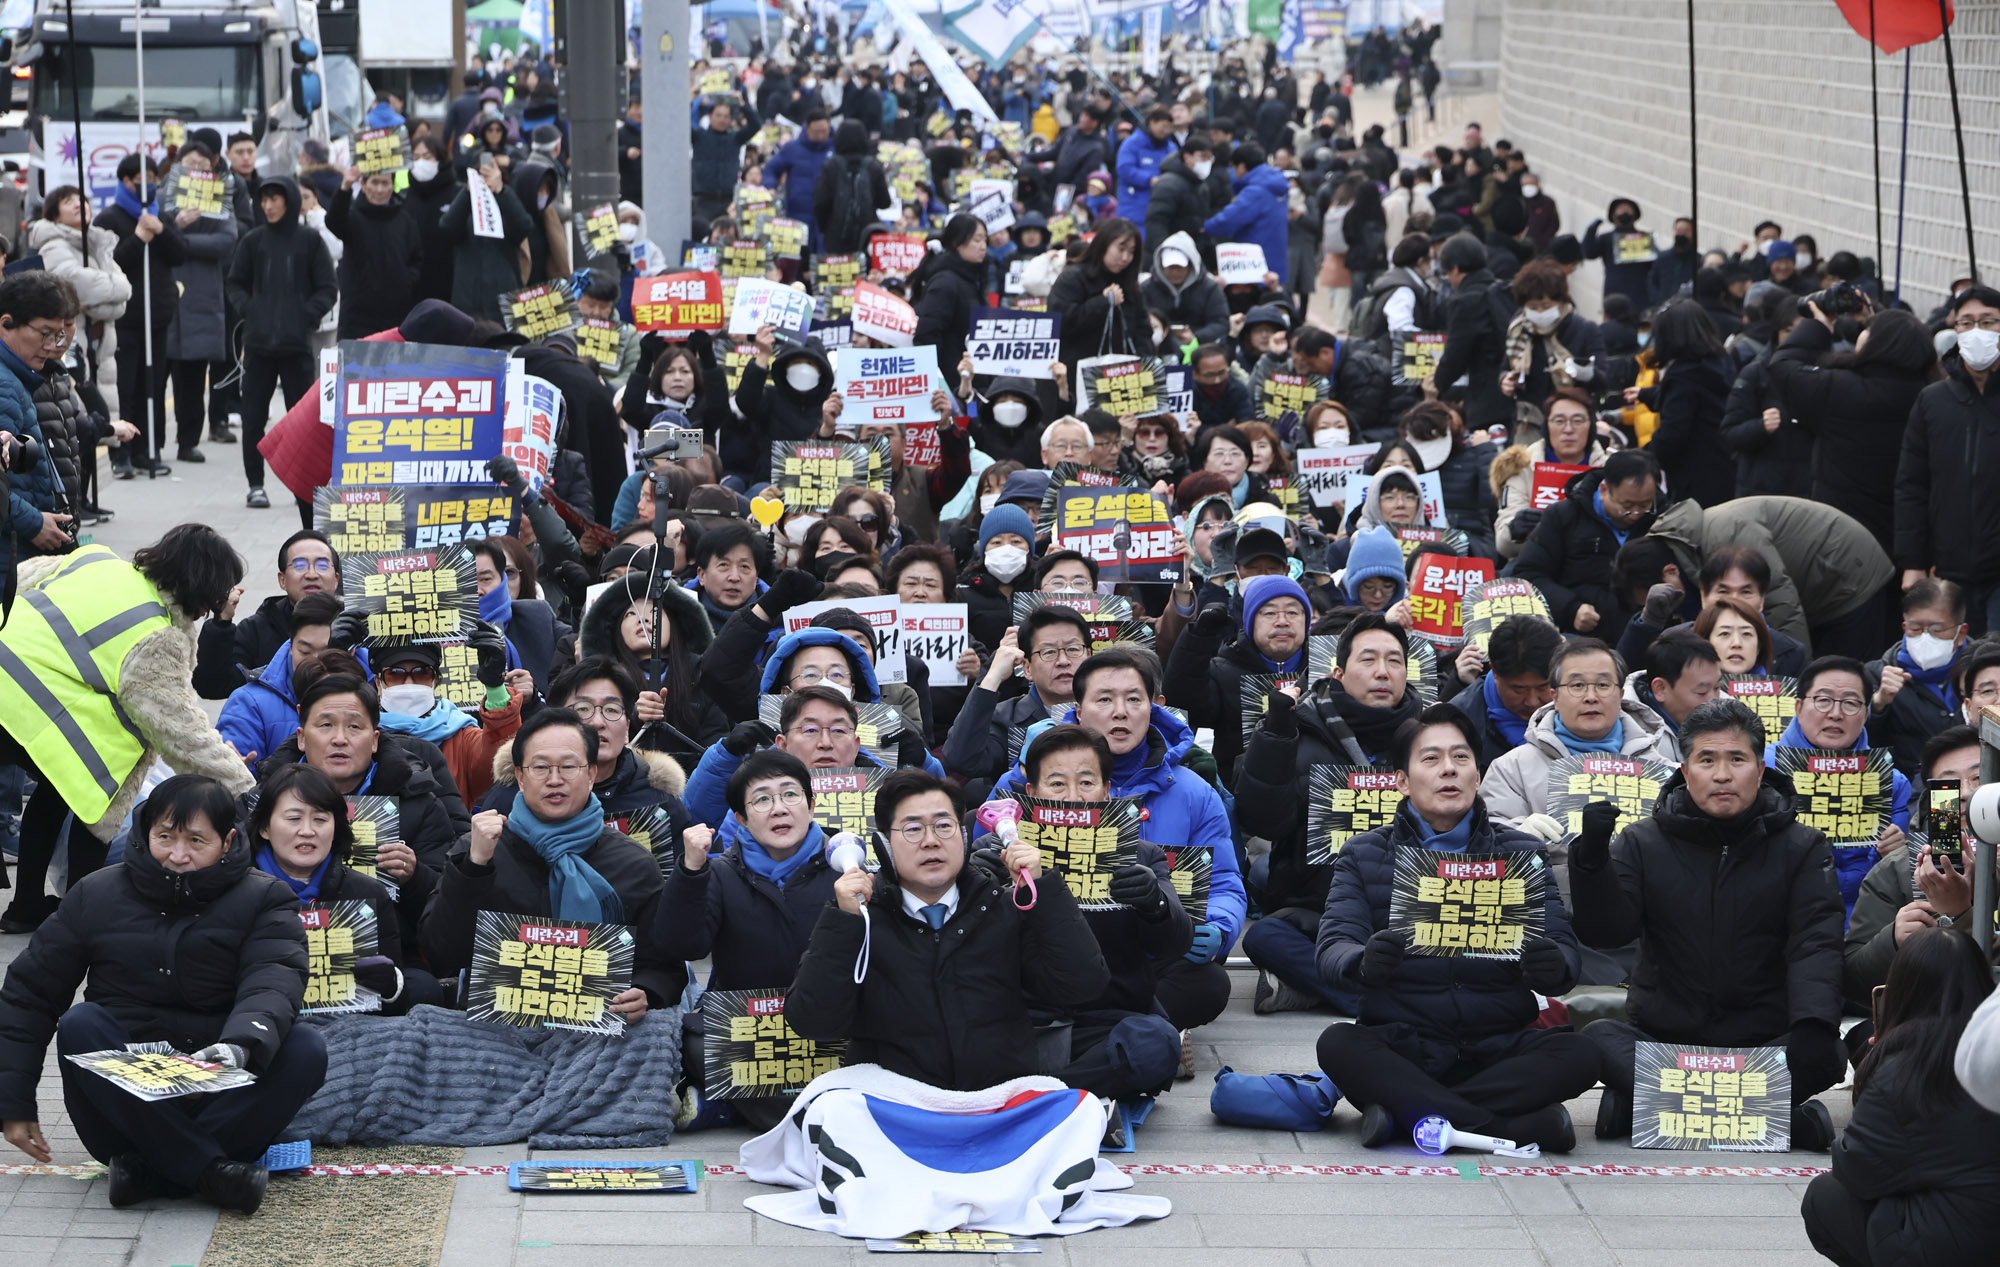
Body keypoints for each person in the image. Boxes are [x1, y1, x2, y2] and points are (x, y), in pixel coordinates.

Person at [0, 775, 321, 1213]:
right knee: (81, 1024)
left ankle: (150, 1173)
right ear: (144, 831)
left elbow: (274, 978)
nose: (178, 855)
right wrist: (13, 1102)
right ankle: (210, 1173)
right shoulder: (96, 893)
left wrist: (241, 1045)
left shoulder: (265, 898)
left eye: (196, 841)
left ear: (227, 842)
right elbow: (28, 995)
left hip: (219, 1090)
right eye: (165, 837)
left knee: (305, 1046)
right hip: (124, 1102)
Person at [1314, 705, 1597, 1152]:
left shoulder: (1521, 852)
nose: (1449, 769)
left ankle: (1409, 1117)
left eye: (1461, 758)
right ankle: (1514, 1129)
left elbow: (1566, 954)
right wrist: (1363, 961)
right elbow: (1332, 947)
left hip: (1500, 1046)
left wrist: (1551, 963)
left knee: (1583, 1054)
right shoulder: (1363, 853)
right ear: (1402, 781)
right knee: (1337, 1043)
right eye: (1431, 759)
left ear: (1478, 774)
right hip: (1407, 1045)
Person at [1572, 696, 1847, 1150]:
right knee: (1599, 1039)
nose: (1722, 775)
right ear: (1685, 771)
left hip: (1762, 1043)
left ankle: (1651, 1108)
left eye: (1737, 759)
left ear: (1760, 770)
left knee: (1826, 1051)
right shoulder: (1642, 841)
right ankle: (1782, 1122)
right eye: (1707, 760)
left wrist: (1814, 1025)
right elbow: (1607, 933)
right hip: (1666, 1040)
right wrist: (1591, 860)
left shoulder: (1802, 845)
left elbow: (1814, 942)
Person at [784, 768, 1108, 1091]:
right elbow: (814, 1022)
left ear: (964, 836)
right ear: (884, 845)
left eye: (943, 826)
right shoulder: (862, 918)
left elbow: (1083, 986)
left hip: (997, 1098)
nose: (930, 841)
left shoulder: (1001, 907)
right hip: (893, 1102)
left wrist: (1042, 889)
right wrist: (845, 923)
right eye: (912, 829)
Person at [0, 528, 254, 931]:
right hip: (23, 704)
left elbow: (18, 581)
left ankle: (26, 905)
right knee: (103, 784)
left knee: (56, 791)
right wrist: (241, 785)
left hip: (8, 683)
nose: (211, 607)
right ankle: (82, 919)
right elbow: (176, 726)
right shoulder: (159, 634)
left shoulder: (97, 560)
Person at [992, 647, 1244, 1038]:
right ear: (1078, 708)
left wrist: (1218, 927)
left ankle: (1124, 1035)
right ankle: (1133, 1038)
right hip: (1045, 951)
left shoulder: (1195, 793)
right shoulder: (1016, 790)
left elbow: (1224, 881)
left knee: (1207, 983)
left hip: (1143, 953)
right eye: (1105, 699)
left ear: (1155, 707)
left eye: (1133, 699)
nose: (1120, 712)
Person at [424, 709, 685, 1020]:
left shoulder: (633, 863)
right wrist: (474, 868)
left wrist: (645, 991)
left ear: (591, 774)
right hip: (494, 1032)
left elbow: (664, 966)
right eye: (541, 767)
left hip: (599, 1032)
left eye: (569, 766)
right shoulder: (481, 849)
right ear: (519, 777)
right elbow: (442, 954)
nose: (555, 780)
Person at [1235, 613, 1425, 1015]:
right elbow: (1261, 820)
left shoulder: (1431, 736)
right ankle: (1380, 1003)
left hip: (1413, 908)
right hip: (1322, 907)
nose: (1382, 672)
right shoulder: (1298, 729)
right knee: (1264, 937)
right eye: (1368, 659)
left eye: (1394, 661)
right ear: (1338, 672)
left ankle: (1316, 989)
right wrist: (1275, 735)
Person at [996, 724, 1190, 1101]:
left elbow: (1176, 943)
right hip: (1020, 1023)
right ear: (1031, 792)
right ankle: (1077, 1099)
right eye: (1057, 784)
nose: (1073, 797)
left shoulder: (1141, 855)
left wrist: (1154, 904)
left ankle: (1037, 1102)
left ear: (1106, 790)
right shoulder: (996, 850)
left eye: (1086, 783)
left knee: (1155, 1043)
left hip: (1106, 1021)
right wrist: (995, 890)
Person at [1805, 927, 2000, 1266]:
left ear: (1901, 990)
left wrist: (1876, 1063)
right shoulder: (1987, 1046)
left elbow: (1856, 1169)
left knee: (1825, 1197)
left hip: (1953, 1245)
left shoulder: (1906, 1066)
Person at [658, 747, 816, 1129]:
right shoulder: (721, 873)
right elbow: (682, 945)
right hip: (746, 1030)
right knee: (687, 1042)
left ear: (812, 804)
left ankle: (727, 1107)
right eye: (762, 800)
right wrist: (691, 871)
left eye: (790, 794)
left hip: (822, 1029)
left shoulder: (844, 870)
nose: (779, 808)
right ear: (742, 819)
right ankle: (786, 1115)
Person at [1480, 638, 1680, 888]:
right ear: (1554, 695)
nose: (1591, 697)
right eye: (1577, 685)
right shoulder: (1511, 769)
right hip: (1552, 911)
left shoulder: (1664, 770)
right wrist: (1519, 836)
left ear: (1620, 694)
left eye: (1603, 685)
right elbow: (1485, 843)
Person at [247, 762, 438, 1011]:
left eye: (320, 819)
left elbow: (394, 1008)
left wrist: (391, 986)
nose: (307, 831)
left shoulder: (368, 894)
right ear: (264, 827)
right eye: (294, 818)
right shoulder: (239, 894)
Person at [1614, 497, 1894, 666]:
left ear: (1670, 572)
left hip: (1847, 571)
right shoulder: (1688, 548)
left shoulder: (1727, 536)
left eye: (1664, 596)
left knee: (1841, 672)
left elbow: (1781, 605)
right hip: (1813, 580)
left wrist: (1796, 677)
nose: (1669, 608)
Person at [1770, 303, 1937, 556]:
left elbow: (1783, 367)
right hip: (1909, 534)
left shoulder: (1839, 389)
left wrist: (1818, 325)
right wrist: (1879, 318)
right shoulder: (1933, 394)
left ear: (1878, 342)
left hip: (1840, 532)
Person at [1842, 725, 1983, 1013]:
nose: (1966, 794)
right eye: (1950, 786)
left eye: (1980, 779)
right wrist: (1892, 939)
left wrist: (1961, 913)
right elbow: (1853, 982)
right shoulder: (1895, 869)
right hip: (1925, 1031)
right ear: (1933, 799)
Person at [223, 175, 336, 510]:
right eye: (264, 200)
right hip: (258, 346)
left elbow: (328, 287)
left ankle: (303, 487)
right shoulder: (253, 241)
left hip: (296, 347)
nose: (268, 206)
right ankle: (255, 485)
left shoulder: (310, 241)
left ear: (289, 202)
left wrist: (305, 315)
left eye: (275, 199)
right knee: (253, 417)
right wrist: (251, 310)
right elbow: (235, 284)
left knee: (300, 423)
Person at [1767, 655, 1913, 911]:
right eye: (1823, 700)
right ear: (1798, 707)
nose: (1835, 714)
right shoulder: (1763, 770)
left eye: (1850, 703)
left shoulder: (1892, 781)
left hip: (1864, 919)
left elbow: (1902, 882)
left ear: (1866, 713)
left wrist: (1897, 854)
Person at [1894, 284, 2000, 634]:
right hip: (1948, 567)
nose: (1977, 332)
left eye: (1989, 321)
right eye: (1967, 322)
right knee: (1958, 663)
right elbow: (1912, 485)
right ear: (1954, 329)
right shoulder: (1933, 401)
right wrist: (1913, 561)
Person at [1166, 574, 1312, 789]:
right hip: (1239, 792)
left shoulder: (1324, 672)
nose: (1282, 621)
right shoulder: (1223, 670)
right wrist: (1198, 637)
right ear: (1250, 622)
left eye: (1292, 612)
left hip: (1310, 795)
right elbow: (1184, 704)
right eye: (1270, 613)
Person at [940, 604, 1093, 794]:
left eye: (1073, 649)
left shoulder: (1110, 712)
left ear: (1089, 656)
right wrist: (992, 676)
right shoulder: (1005, 718)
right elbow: (960, 759)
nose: (1063, 660)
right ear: (1027, 668)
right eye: (1049, 652)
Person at [1512, 448, 1660, 642]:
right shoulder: (1563, 516)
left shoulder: (1662, 520)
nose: (1635, 514)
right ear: (1605, 490)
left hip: (1647, 636)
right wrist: (1570, 608)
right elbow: (1528, 575)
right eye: (1627, 506)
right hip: (1579, 637)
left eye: (1645, 505)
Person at [96, 153, 184, 476]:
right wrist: (139, 239)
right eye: (140, 178)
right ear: (125, 181)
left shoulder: (158, 214)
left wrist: (160, 230)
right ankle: (122, 452)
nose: (147, 184)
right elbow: (111, 263)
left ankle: (152, 448)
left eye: (151, 177)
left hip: (158, 316)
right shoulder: (110, 219)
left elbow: (180, 253)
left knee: (155, 384)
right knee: (126, 386)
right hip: (125, 319)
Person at [28, 184, 130, 439]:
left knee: (100, 408)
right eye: (68, 201)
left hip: (101, 341)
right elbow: (76, 289)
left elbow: (124, 294)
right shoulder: (53, 245)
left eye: (81, 199)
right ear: (53, 213)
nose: (78, 204)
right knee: (76, 419)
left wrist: (98, 298)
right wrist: (102, 294)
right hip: (73, 344)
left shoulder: (96, 242)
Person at [160, 144, 238, 463]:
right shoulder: (163, 195)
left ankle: (188, 440)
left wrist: (179, 241)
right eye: (189, 163)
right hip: (165, 293)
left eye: (202, 164)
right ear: (178, 166)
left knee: (194, 377)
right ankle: (147, 445)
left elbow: (226, 240)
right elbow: (152, 232)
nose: (196, 169)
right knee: (155, 378)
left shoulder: (220, 199)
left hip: (202, 295)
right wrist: (174, 226)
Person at [194, 529, 339, 699]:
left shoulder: (354, 627)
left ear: (336, 579)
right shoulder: (255, 630)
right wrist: (221, 623)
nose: (312, 574)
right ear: (282, 579)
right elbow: (212, 687)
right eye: (300, 565)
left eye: (322, 565)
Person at [216, 591, 344, 767]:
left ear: (350, 650)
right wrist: (240, 774)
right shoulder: (249, 704)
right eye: (305, 652)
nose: (315, 662)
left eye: (327, 653)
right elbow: (233, 781)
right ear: (291, 644)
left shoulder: (377, 683)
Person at [1633, 301, 1734, 510]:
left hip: (1695, 476)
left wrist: (1639, 457)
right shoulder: (1722, 362)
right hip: (1726, 465)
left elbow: (1673, 432)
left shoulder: (1682, 375)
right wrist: (1650, 395)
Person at [1865, 578, 1971, 776]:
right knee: (1944, 808)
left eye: (1936, 630)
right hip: (1913, 792)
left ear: (1961, 632)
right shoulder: (1876, 675)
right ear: (1904, 627)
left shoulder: (1984, 673)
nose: (1925, 638)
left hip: (1977, 788)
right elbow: (1861, 745)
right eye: (1915, 629)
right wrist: (1878, 705)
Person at [1489, 388, 1610, 559]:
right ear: (1546, 426)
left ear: (1591, 426)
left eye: (1578, 420)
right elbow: (1503, 545)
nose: (1568, 429)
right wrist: (1515, 530)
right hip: (1538, 560)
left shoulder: (1612, 468)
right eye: (1559, 421)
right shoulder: (1522, 468)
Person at [1447, 613, 1563, 770]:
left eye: (1543, 687)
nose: (1532, 701)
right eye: (1518, 689)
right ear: (1494, 672)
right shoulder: (1459, 724)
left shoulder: (1584, 706)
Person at [1427, 232, 1513, 434]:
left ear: (1455, 269)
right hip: (1513, 390)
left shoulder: (1466, 301)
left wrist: (1439, 381)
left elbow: (1457, 352)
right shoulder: (1504, 289)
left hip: (1487, 399)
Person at [328, 163, 423, 340]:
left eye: (385, 183)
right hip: (358, 316)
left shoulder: (404, 220)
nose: (379, 189)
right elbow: (333, 222)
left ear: (392, 186)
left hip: (396, 315)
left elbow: (416, 259)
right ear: (363, 185)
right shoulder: (353, 216)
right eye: (375, 182)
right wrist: (345, 188)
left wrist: (405, 282)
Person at [1497, 260, 1602, 416]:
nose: (1539, 312)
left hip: (1572, 418)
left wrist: (1581, 371)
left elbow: (1603, 380)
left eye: (1546, 306)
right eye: (1532, 307)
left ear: (1561, 301)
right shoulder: (1519, 331)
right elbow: (1506, 367)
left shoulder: (1584, 329)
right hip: (1530, 419)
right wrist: (1505, 380)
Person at [1047, 218, 1155, 371]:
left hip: (1122, 375)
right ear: (1104, 244)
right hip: (1078, 372)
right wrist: (1103, 302)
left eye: (1131, 252)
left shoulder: (1130, 284)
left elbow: (1142, 330)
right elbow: (1061, 322)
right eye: (1121, 249)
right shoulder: (1074, 277)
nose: (1125, 258)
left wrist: (1142, 362)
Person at [441, 154, 532, 324]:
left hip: (502, 306)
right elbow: (447, 226)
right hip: (467, 303)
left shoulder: (506, 202)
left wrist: (501, 191)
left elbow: (524, 226)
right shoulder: (466, 208)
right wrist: (468, 193)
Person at [1202, 143, 1290, 290]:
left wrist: (1204, 227)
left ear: (1242, 166)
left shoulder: (1256, 191)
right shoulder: (1276, 184)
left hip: (1253, 268)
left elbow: (1228, 220)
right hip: (1276, 260)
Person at [912, 214, 987, 386]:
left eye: (985, 240)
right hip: (951, 383)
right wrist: (937, 384)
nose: (983, 246)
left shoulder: (973, 279)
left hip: (971, 381)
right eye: (977, 240)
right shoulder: (945, 283)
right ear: (957, 242)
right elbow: (926, 337)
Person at [813, 118, 889, 255]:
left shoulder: (831, 166)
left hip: (836, 236)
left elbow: (820, 202)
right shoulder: (873, 166)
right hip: (867, 235)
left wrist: (824, 228)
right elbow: (885, 202)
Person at [1141, 232, 1230, 348]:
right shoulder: (1146, 288)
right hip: (1157, 346)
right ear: (1160, 265)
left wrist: (1196, 337)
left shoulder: (1210, 288)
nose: (1175, 272)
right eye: (1170, 267)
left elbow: (1221, 321)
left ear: (1191, 265)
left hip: (1201, 348)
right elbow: (1140, 320)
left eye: (1180, 267)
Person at [763, 110, 835, 248]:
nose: (820, 135)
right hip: (798, 214)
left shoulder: (835, 148)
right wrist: (770, 187)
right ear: (807, 128)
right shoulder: (792, 148)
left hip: (828, 217)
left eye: (824, 131)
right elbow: (771, 169)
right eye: (816, 131)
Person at [1628, 629, 1723, 729]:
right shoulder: (1631, 732)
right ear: (1660, 689)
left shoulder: (1732, 710)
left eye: (1717, 687)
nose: (1715, 702)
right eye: (1701, 692)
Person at [403, 135, 458, 305]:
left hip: (449, 283)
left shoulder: (457, 194)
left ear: (439, 160)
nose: (421, 162)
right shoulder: (404, 197)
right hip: (413, 287)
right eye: (415, 157)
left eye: (427, 157)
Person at [1144, 134, 1213, 258]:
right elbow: (1156, 222)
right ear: (1187, 157)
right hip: (1169, 257)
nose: (1207, 162)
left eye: (1210, 158)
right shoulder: (1168, 184)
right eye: (1202, 157)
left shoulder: (1201, 186)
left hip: (1190, 255)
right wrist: (1163, 253)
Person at [1116, 106, 1177, 232]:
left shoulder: (1171, 147)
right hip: (1133, 204)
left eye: (1169, 127)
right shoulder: (1131, 143)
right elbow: (1124, 169)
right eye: (1163, 126)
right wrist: (1150, 179)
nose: (1166, 131)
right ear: (1152, 122)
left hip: (1162, 204)